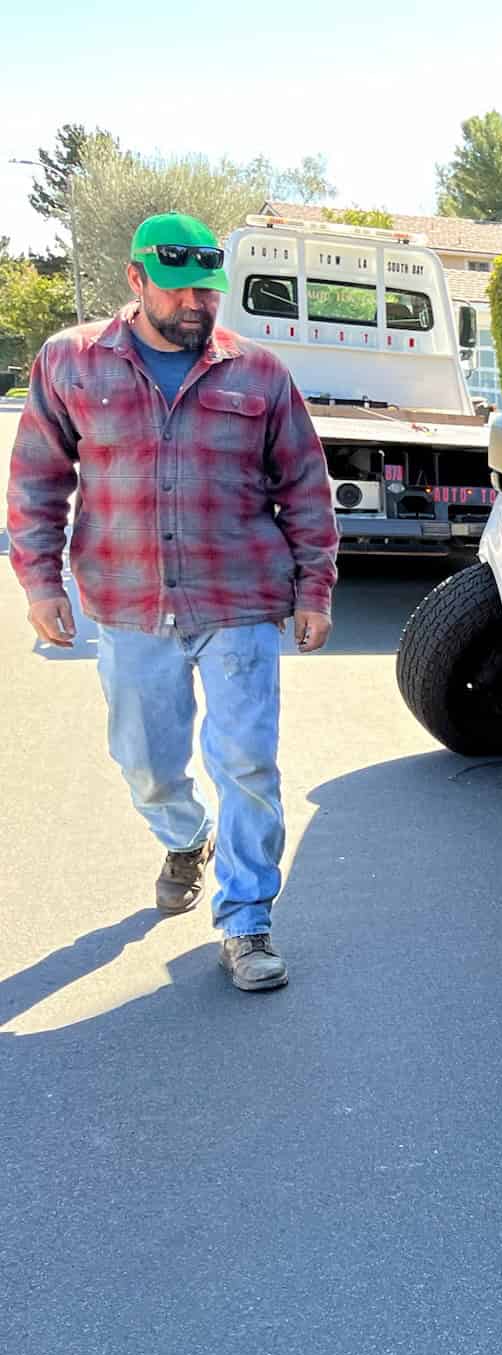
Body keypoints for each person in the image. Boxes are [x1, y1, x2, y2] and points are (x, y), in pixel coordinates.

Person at [6, 212, 337, 992]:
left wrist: (313, 588)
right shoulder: (70, 363)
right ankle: (186, 837)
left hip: (239, 600)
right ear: (135, 279)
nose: (197, 303)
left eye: (209, 291)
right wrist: (40, 581)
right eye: (180, 287)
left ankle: (247, 919)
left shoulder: (258, 373)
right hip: (125, 602)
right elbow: (36, 481)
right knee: (145, 764)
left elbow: (305, 486)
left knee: (248, 763)